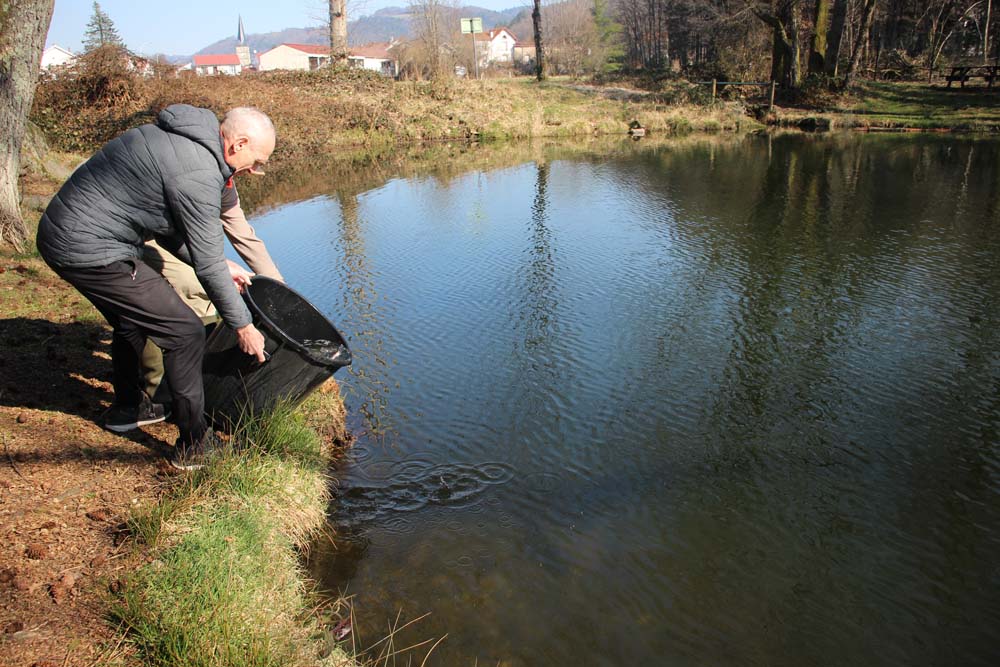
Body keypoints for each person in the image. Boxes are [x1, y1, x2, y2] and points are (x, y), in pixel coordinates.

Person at [37, 104, 274, 470]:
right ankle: (195, 444)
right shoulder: (198, 171)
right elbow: (207, 264)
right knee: (184, 331)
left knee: (130, 320)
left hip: (66, 235)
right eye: (256, 162)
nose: (255, 171)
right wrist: (243, 326)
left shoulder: (186, 143)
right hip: (89, 248)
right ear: (238, 144)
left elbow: (166, 230)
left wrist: (220, 265)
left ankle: (129, 409)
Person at [139, 184, 284, 407]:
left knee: (210, 289)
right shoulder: (191, 175)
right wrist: (215, 269)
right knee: (192, 286)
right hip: (142, 233)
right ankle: (156, 391)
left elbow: (244, 236)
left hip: (183, 238)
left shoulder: (227, 183)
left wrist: (278, 289)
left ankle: (200, 373)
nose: (255, 171)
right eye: (254, 166)